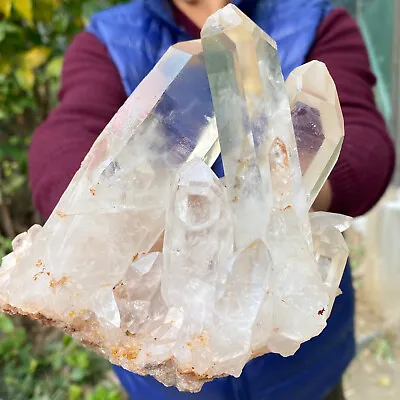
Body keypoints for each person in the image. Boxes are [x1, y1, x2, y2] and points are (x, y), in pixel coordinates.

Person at [28, 0, 395, 399]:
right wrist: (118, 228)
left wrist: (287, 197)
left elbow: (364, 139)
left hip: (303, 371)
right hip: (161, 374)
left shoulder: (317, 18)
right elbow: (66, 135)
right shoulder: (107, 39)